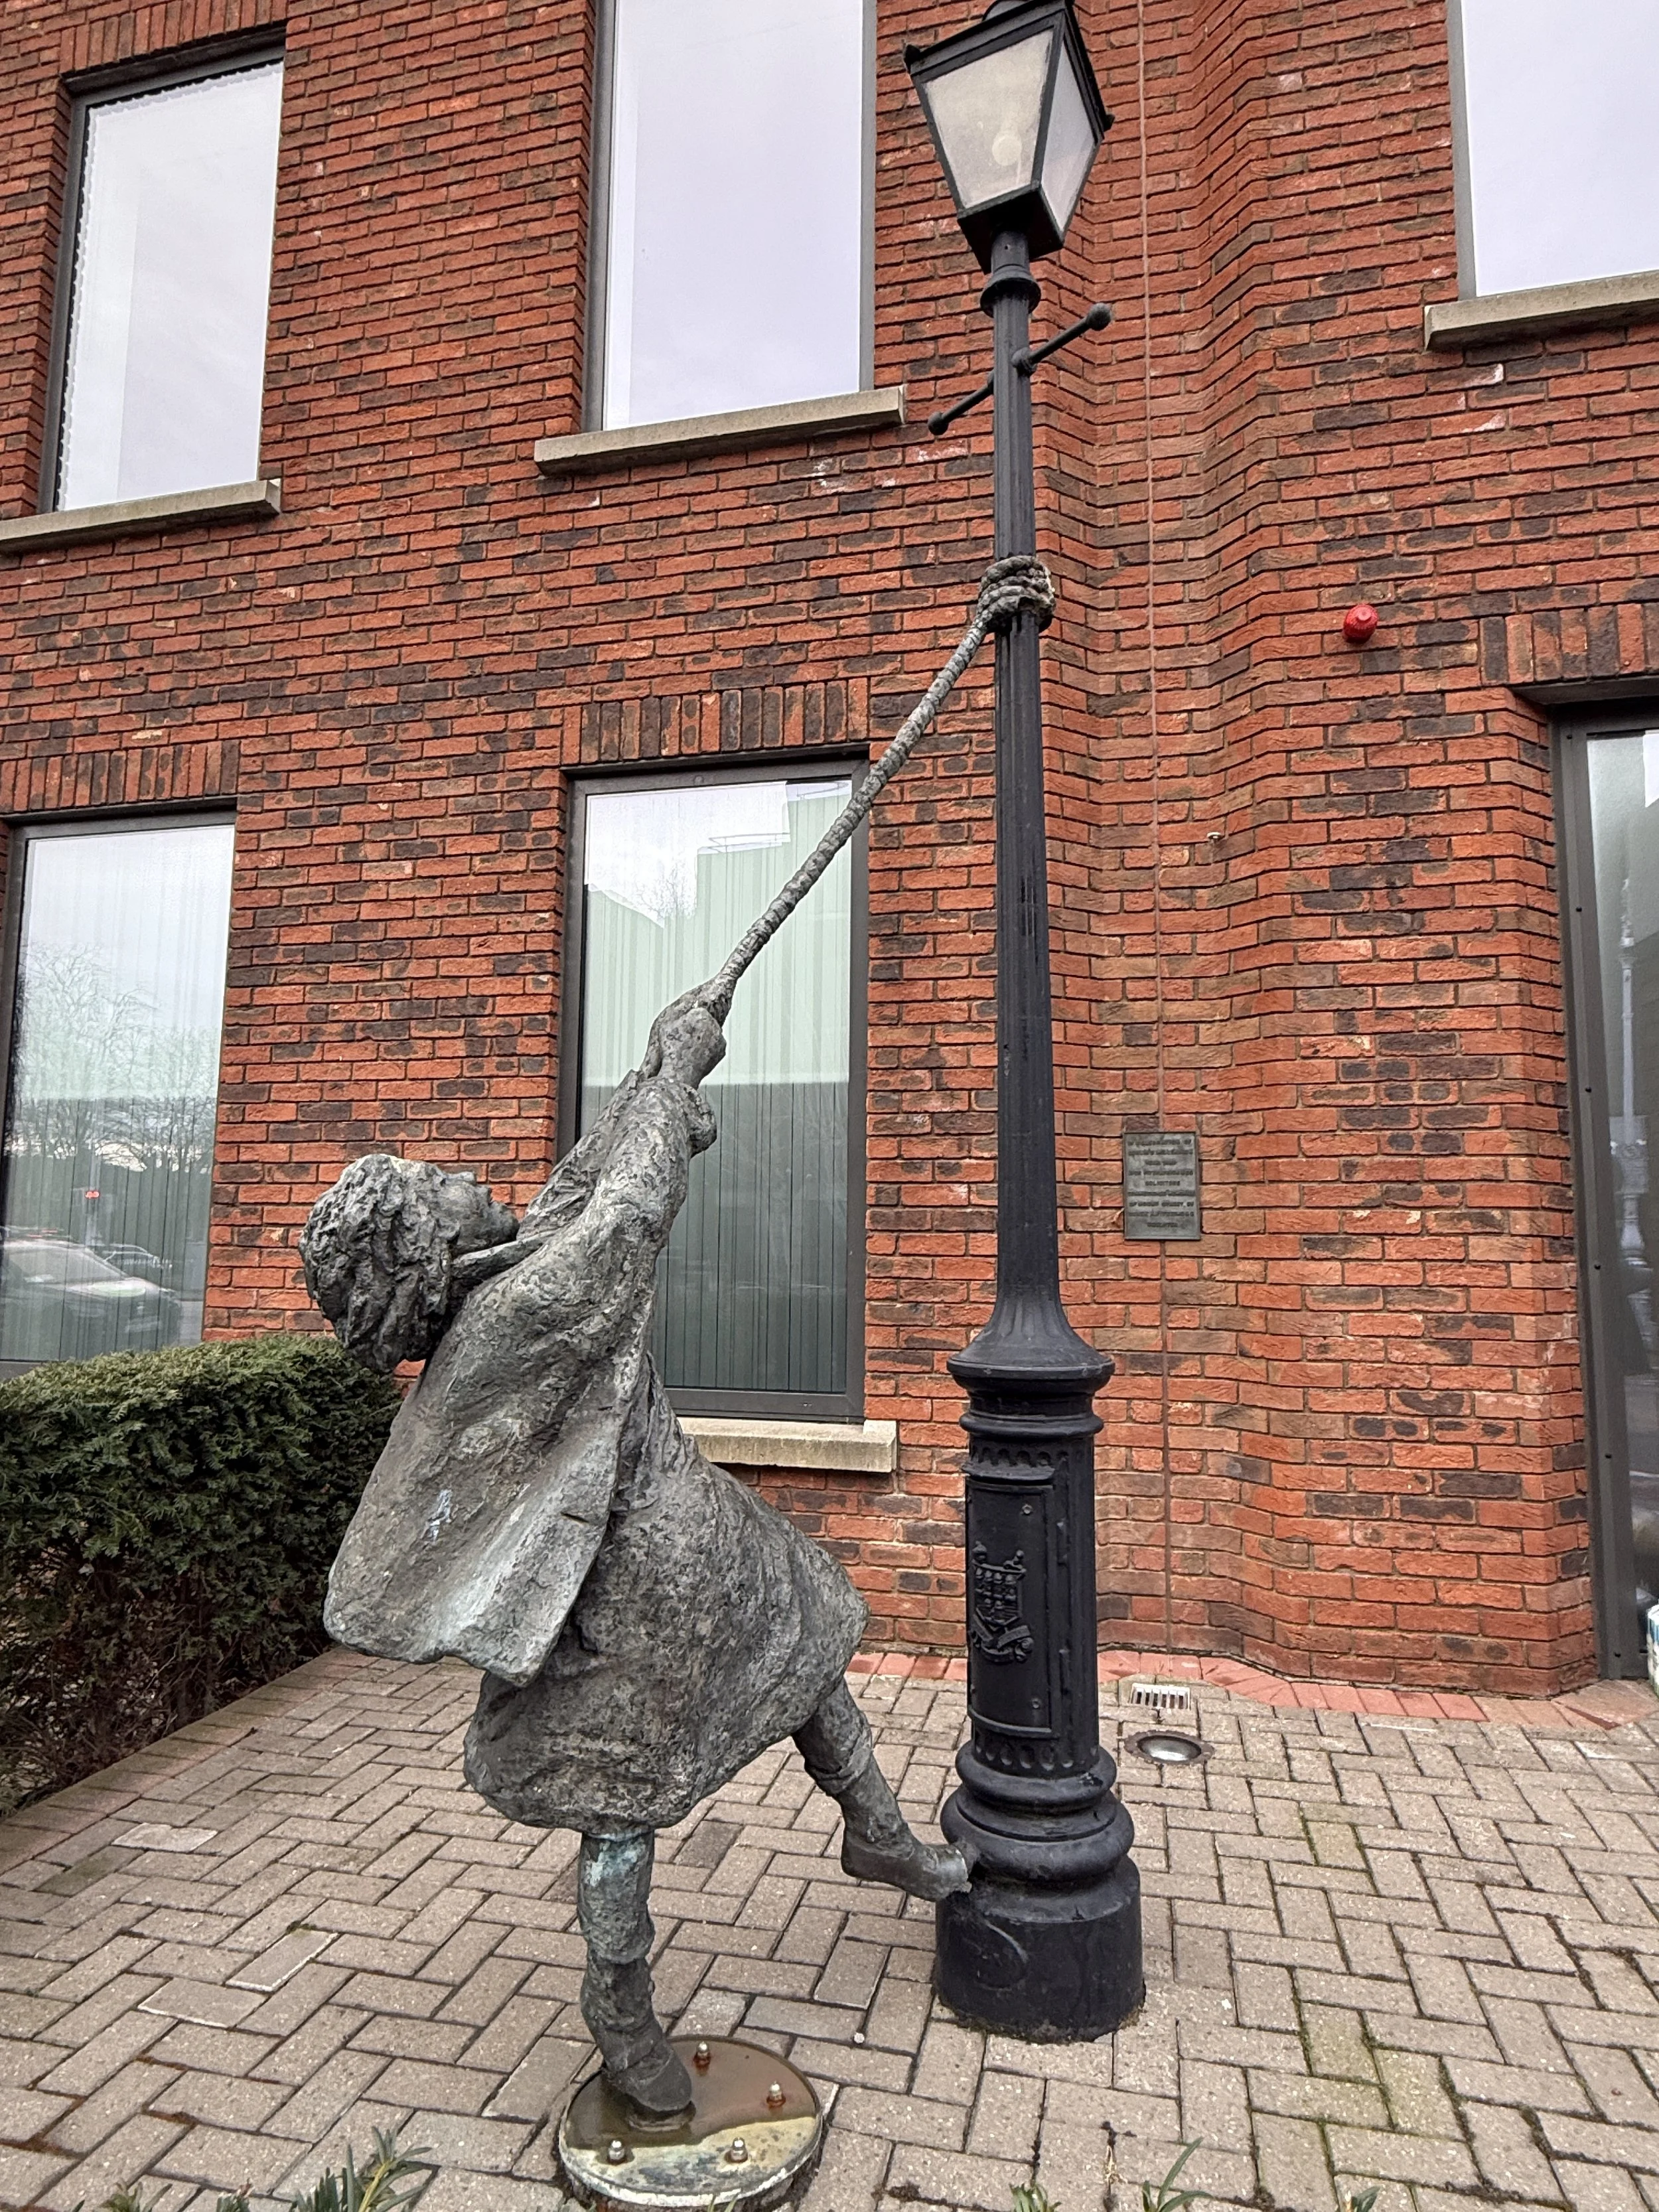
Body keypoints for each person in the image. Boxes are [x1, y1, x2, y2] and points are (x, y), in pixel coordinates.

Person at [301, 991, 967, 2121]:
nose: (459, 1177)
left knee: (807, 1638)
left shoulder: (504, 1262)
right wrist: (666, 1094)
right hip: (627, 1591)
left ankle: (880, 1835)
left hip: (691, 1525)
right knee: (622, 1797)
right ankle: (621, 2012)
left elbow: (580, 1188)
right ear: (430, 1244)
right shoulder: (513, 1314)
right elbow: (623, 1221)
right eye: (436, 1185)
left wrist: (661, 1068)